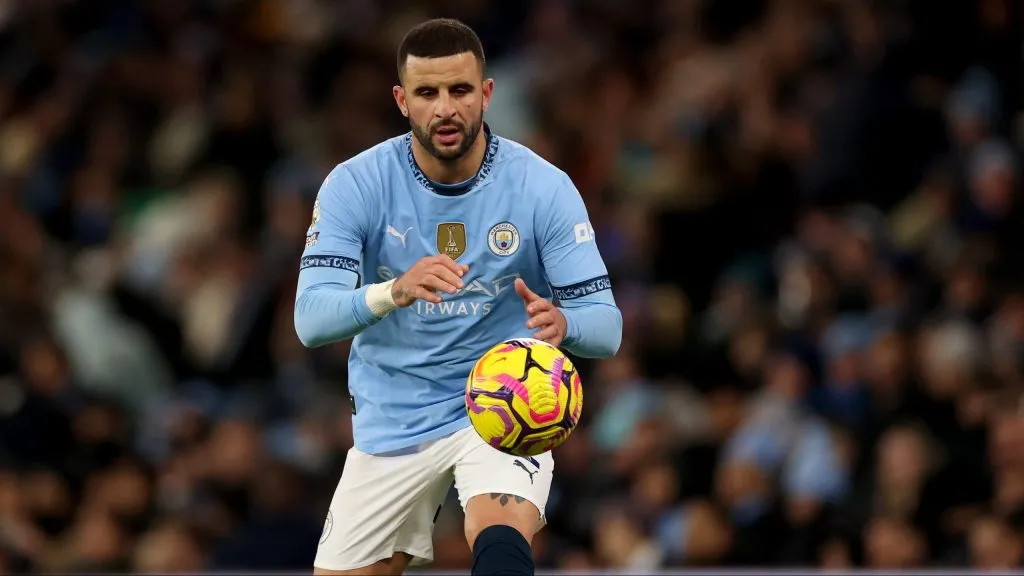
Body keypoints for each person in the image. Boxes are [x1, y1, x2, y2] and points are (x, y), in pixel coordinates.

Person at [294, 18, 622, 576]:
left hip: (501, 401)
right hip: (393, 415)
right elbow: (310, 320)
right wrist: (393, 291)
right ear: (402, 100)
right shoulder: (356, 184)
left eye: (460, 90)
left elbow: (607, 327)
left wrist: (563, 323)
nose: (445, 108)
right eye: (427, 93)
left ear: (486, 93)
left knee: (499, 527)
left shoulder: (542, 187)